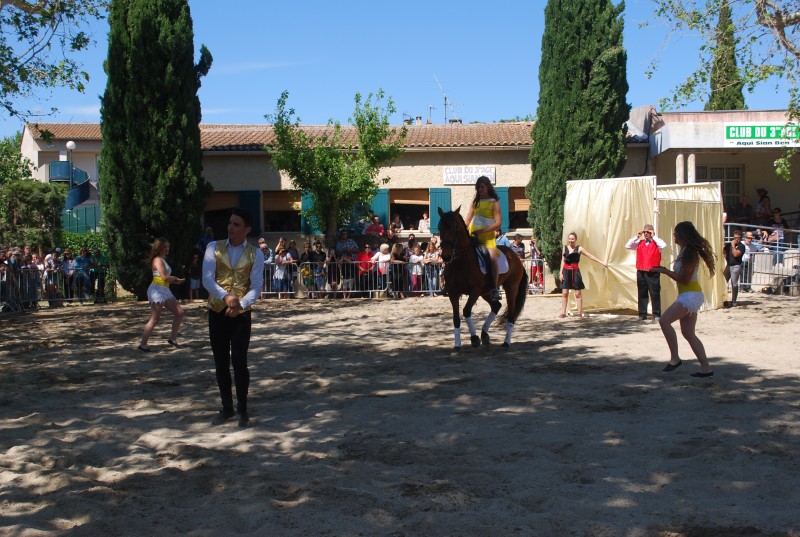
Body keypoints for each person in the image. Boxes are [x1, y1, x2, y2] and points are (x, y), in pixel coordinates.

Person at [202, 208, 264, 428]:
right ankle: (226, 407)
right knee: (220, 361)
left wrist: (241, 304)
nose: (230, 227)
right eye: (230, 223)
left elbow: (256, 287)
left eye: (236, 224)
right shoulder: (212, 247)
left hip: (241, 315)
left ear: (246, 229)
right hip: (217, 311)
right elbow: (207, 279)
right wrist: (226, 296)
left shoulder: (256, 253)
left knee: (239, 361)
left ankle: (243, 409)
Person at [652, 221, 717, 377]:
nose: (674, 236)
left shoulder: (689, 253)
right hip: (689, 294)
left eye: (676, 234)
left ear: (683, 235)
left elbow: (685, 279)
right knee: (688, 333)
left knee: (664, 320)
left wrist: (665, 271)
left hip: (690, 295)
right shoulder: (685, 251)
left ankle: (675, 359)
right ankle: (706, 368)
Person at [138, 238, 186, 352]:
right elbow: (164, 277)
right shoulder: (158, 260)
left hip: (164, 289)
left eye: (168, 247)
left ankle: (173, 339)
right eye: (165, 247)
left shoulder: (162, 260)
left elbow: (165, 278)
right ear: (159, 248)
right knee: (155, 319)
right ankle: (143, 344)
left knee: (179, 313)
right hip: (157, 290)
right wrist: (176, 279)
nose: (167, 249)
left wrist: (175, 280)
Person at [465, 176, 503, 301]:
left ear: (487, 187)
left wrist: (483, 231)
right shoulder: (475, 202)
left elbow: (498, 224)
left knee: (492, 258)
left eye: (482, 187)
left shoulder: (494, 203)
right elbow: (468, 220)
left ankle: (494, 288)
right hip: (472, 235)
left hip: (487, 238)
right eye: (478, 187)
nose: (480, 189)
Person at [559, 232, 607, 318]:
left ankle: (579, 313)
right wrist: (560, 273)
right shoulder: (565, 248)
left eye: (572, 239)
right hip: (566, 272)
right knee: (564, 293)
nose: (571, 240)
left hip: (575, 271)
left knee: (578, 294)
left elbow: (590, 256)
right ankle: (563, 312)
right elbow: (563, 261)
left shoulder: (579, 248)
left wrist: (602, 262)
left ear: (576, 239)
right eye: (569, 239)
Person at [625, 224, 667, 321]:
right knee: (642, 293)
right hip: (641, 271)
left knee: (654, 293)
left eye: (648, 232)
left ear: (652, 232)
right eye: (645, 232)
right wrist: (637, 236)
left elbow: (664, 246)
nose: (646, 234)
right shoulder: (640, 243)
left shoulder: (657, 244)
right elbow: (628, 246)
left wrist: (654, 236)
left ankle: (656, 314)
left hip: (652, 272)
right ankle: (642, 314)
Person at [723, 230, 745, 306]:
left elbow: (735, 254)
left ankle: (734, 301)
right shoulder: (729, 245)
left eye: (738, 238)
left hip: (736, 266)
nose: (736, 239)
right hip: (728, 265)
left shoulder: (741, 246)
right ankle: (724, 299)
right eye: (735, 237)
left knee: (734, 284)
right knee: (723, 282)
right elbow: (723, 252)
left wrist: (733, 246)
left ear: (741, 238)